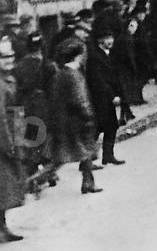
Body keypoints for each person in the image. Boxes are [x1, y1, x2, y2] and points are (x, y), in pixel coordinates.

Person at [50, 40, 101, 195]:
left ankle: (88, 183)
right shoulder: (73, 75)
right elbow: (80, 99)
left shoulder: (61, 73)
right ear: (78, 56)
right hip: (79, 120)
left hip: (67, 119)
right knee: (81, 151)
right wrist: (89, 115)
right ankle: (39, 179)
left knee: (83, 152)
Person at [13, 33, 56, 190]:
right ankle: (42, 176)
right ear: (42, 46)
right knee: (44, 143)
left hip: (23, 108)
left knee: (30, 144)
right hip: (42, 107)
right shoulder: (48, 65)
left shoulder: (18, 66)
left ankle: (35, 177)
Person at [86, 28, 126, 166]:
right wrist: (112, 96)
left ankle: (108, 155)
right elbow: (99, 81)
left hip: (106, 98)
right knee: (97, 129)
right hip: (99, 99)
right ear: (100, 41)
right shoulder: (94, 58)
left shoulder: (107, 54)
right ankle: (86, 161)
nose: (111, 41)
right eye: (108, 38)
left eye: (112, 38)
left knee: (111, 126)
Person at [0, 36, 26, 242]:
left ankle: (2, 227)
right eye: (3, 56)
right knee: (4, 184)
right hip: (3, 140)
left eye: (11, 55)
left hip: (12, 134)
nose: (9, 59)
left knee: (6, 186)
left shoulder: (9, 78)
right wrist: (9, 144)